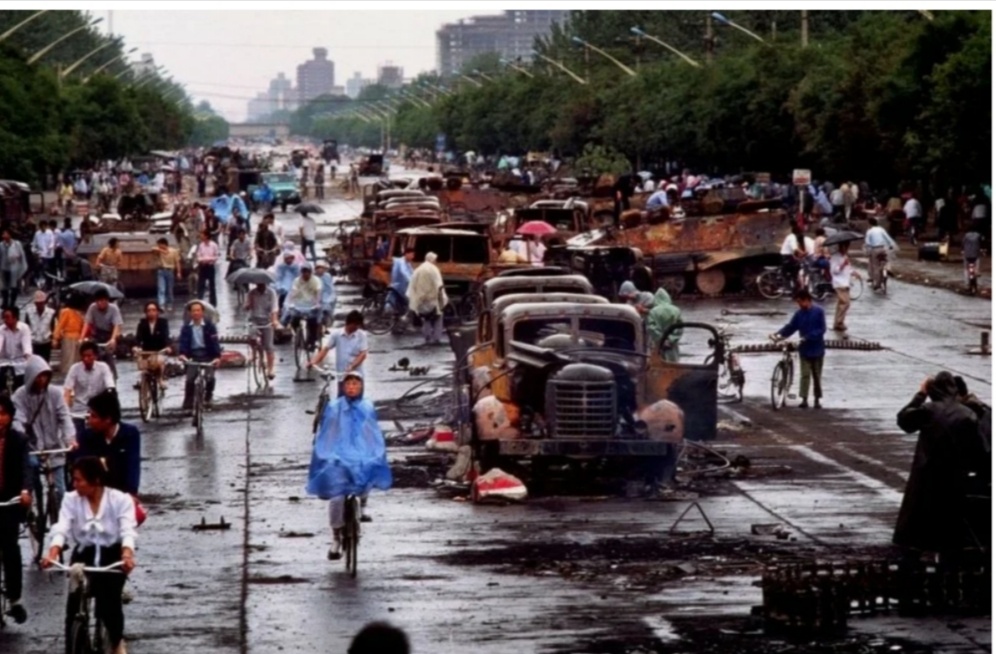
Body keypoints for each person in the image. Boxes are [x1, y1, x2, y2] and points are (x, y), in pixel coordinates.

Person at [42, 456, 138, 654]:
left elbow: (127, 530)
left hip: (111, 555)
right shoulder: (71, 499)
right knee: (73, 606)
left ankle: (116, 642)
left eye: (78, 480)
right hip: (83, 554)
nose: (74, 484)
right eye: (73, 479)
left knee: (108, 602)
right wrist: (53, 551)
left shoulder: (119, 500)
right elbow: (62, 527)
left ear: (95, 480)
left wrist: (127, 554)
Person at [894, 372, 984, 568]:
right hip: (954, 477)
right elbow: (979, 450)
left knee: (916, 527)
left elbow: (904, 420)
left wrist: (920, 394)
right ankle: (949, 567)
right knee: (950, 527)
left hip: (925, 475)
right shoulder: (967, 414)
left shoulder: (928, 410)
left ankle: (910, 566)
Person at [306, 371, 391, 561]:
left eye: (356, 384)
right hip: (338, 457)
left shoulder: (367, 407)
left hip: (360, 456)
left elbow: (373, 434)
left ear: (361, 387)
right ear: (343, 388)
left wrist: (375, 452)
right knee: (337, 498)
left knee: (367, 477)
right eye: (348, 384)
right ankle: (335, 538)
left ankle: (364, 506)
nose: (352, 387)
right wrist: (326, 454)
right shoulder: (334, 408)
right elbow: (327, 435)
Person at [13, 355, 75, 526]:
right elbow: (17, 420)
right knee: (31, 472)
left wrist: (71, 439)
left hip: (54, 447)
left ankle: (60, 526)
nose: (42, 380)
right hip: (32, 447)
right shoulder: (20, 395)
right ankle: (33, 507)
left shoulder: (55, 393)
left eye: (45, 375)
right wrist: (22, 435)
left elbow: (65, 417)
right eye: (39, 376)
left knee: (61, 491)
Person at [0, 395, 31, 624]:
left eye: (3, 413)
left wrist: (25, 491)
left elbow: (26, 469)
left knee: (10, 547)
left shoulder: (19, 440)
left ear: (10, 416)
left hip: (10, 501)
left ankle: (14, 598)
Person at [77, 389, 140, 497]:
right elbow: (82, 469)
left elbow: (133, 466)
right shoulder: (86, 437)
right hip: (94, 493)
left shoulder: (130, 434)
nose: (89, 421)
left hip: (122, 493)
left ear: (108, 419)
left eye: (94, 416)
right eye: (89, 416)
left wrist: (131, 494)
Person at [771, 289, 826, 409]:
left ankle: (817, 398)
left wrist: (807, 337)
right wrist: (779, 334)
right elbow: (791, 327)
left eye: (800, 302)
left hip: (817, 348)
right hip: (804, 349)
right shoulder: (799, 314)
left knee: (817, 375)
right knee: (805, 374)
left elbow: (821, 330)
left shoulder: (819, 312)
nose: (799, 304)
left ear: (807, 300)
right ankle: (804, 398)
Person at [308, 310, 368, 393]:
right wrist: (313, 362)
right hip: (342, 376)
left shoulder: (361, 335)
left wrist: (352, 366)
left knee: (358, 403)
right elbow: (325, 349)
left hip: (356, 376)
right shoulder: (337, 335)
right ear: (350, 323)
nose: (357, 328)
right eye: (356, 325)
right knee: (341, 402)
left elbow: (363, 354)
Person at [177, 301, 221, 411]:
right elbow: (183, 342)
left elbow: (215, 342)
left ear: (202, 312)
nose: (196, 313)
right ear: (190, 313)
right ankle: (188, 402)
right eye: (193, 311)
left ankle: (208, 397)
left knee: (209, 377)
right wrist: (182, 354)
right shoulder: (186, 328)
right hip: (193, 355)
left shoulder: (210, 327)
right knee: (190, 379)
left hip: (207, 355)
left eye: (198, 310)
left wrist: (217, 357)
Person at [406, 252, 448, 345]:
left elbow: (412, 285)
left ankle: (427, 337)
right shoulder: (434, 269)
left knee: (426, 318)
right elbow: (439, 285)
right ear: (433, 259)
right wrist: (443, 298)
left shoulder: (418, 269)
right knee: (438, 317)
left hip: (421, 300)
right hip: (433, 299)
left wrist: (414, 298)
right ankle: (436, 338)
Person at [81, 289, 123, 379]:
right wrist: (81, 338)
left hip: (110, 334)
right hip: (97, 334)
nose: (100, 303)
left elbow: (117, 325)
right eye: (98, 301)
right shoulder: (92, 307)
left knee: (108, 355)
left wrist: (113, 339)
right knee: (90, 352)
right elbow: (87, 323)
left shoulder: (114, 308)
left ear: (107, 300)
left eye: (103, 300)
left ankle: (113, 376)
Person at [282, 264, 323, 349]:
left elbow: (318, 293)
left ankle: (312, 341)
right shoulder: (297, 281)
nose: (305, 274)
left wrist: (317, 303)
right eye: (303, 272)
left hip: (311, 304)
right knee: (293, 320)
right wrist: (290, 302)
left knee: (313, 322)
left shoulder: (316, 280)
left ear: (310, 272)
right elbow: (293, 292)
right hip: (299, 303)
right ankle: (298, 335)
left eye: (307, 272)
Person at [245, 282, 279, 380]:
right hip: (254, 320)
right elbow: (246, 308)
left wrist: (274, 320)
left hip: (267, 321)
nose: (260, 286)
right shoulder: (251, 293)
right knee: (251, 337)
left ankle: (270, 369)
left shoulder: (271, 293)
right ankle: (254, 353)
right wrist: (248, 304)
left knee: (268, 346)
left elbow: (274, 309)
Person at [134, 301, 170, 389]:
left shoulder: (163, 323)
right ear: (146, 312)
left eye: (154, 310)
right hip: (146, 351)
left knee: (160, 362)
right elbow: (138, 338)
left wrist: (167, 347)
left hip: (159, 350)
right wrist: (136, 347)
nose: (151, 312)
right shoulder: (142, 323)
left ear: (157, 311)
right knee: (142, 365)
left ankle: (160, 379)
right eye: (149, 310)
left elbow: (166, 336)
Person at [0, 306, 33, 391]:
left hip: (20, 361)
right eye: (4, 318)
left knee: (20, 385)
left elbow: (27, 345)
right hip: (4, 361)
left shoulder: (24, 328)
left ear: (15, 318)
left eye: (7, 317)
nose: (5, 320)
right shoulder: (2, 329)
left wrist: (28, 357)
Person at [646, 288, 682, 363]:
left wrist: (661, 340)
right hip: (672, 346)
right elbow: (680, 328)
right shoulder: (676, 310)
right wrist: (671, 339)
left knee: (659, 365)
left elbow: (651, 328)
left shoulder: (653, 312)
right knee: (674, 365)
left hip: (658, 345)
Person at [863, 217, 898, 290]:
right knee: (885, 262)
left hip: (875, 249)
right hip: (883, 248)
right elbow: (888, 239)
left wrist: (868, 252)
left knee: (875, 266)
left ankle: (878, 283)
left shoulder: (869, 231)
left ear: (869, 223)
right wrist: (891, 246)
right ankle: (886, 271)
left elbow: (867, 243)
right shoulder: (881, 229)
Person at [829, 242, 854, 334]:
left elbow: (849, 268)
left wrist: (853, 272)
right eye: (844, 246)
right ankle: (839, 322)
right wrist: (843, 264)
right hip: (839, 283)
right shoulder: (835, 257)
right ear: (840, 246)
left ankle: (837, 323)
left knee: (841, 304)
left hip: (845, 282)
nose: (846, 249)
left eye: (847, 247)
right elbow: (834, 271)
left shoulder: (845, 256)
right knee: (845, 303)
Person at [25, 290, 55, 364]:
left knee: (45, 363)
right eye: (37, 303)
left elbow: (53, 326)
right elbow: (27, 326)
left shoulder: (51, 312)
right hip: (33, 342)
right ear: (35, 303)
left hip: (46, 342)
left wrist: (52, 338)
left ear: (45, 302)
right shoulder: (29, 312)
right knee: (33, 363)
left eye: (41, 303)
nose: (39, 305)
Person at [0, 228, 27, 309]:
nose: (4, 235)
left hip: (14, 268)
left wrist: (16, 257)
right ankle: (5, 302)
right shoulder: (1, 245)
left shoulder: (16, 244)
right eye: (3, 234)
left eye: (5, 233)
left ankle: (12, 302)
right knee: (4, 286)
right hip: (4, 268)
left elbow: (21, 254)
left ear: (10, 235)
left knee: (14, 286)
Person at [154, 237, 182, 312]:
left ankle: (170, 304)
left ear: (164, 244)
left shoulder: (174, 251)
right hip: (161, 271)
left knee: (169, 289)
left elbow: (177, 262)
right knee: (161, 289)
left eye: (160, 245)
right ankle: (161, 305)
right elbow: (153, 249)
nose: (159, 246)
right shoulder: (159, 251)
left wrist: (179, 272)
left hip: (170, 271)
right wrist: (162, 251)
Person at [195, 229, 220, 307]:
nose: (201, 236)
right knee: (200, 284)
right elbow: (198, 256)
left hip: (210, 266)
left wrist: (208, 259)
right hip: (202, 266)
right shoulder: (201, 245)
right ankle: (200, 301)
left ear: (206, 236)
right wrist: (202, 260)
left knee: (212, 285)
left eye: (202, 234)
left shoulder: (214, 245)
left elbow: (216, 256)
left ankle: (213, 302)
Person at [389, 247, 415, 313]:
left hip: (403, 285)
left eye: (413, 255)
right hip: (397, 286)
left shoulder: (408, 263)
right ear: (406, 254)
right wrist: (411, 281)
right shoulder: (401, 262)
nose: (412, 257)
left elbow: (412, 272)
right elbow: (404, 272)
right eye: (411, 255)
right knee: (409, 299)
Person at [314, 260, 337, 328]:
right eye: (318, 268)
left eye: (321, 268)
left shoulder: (327, 276)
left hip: (326, 295)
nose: (320, 270)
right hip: (315, 296)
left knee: (327, 308)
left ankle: (327, 324)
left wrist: (331, 297)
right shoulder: (313, 276)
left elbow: (330, 288)